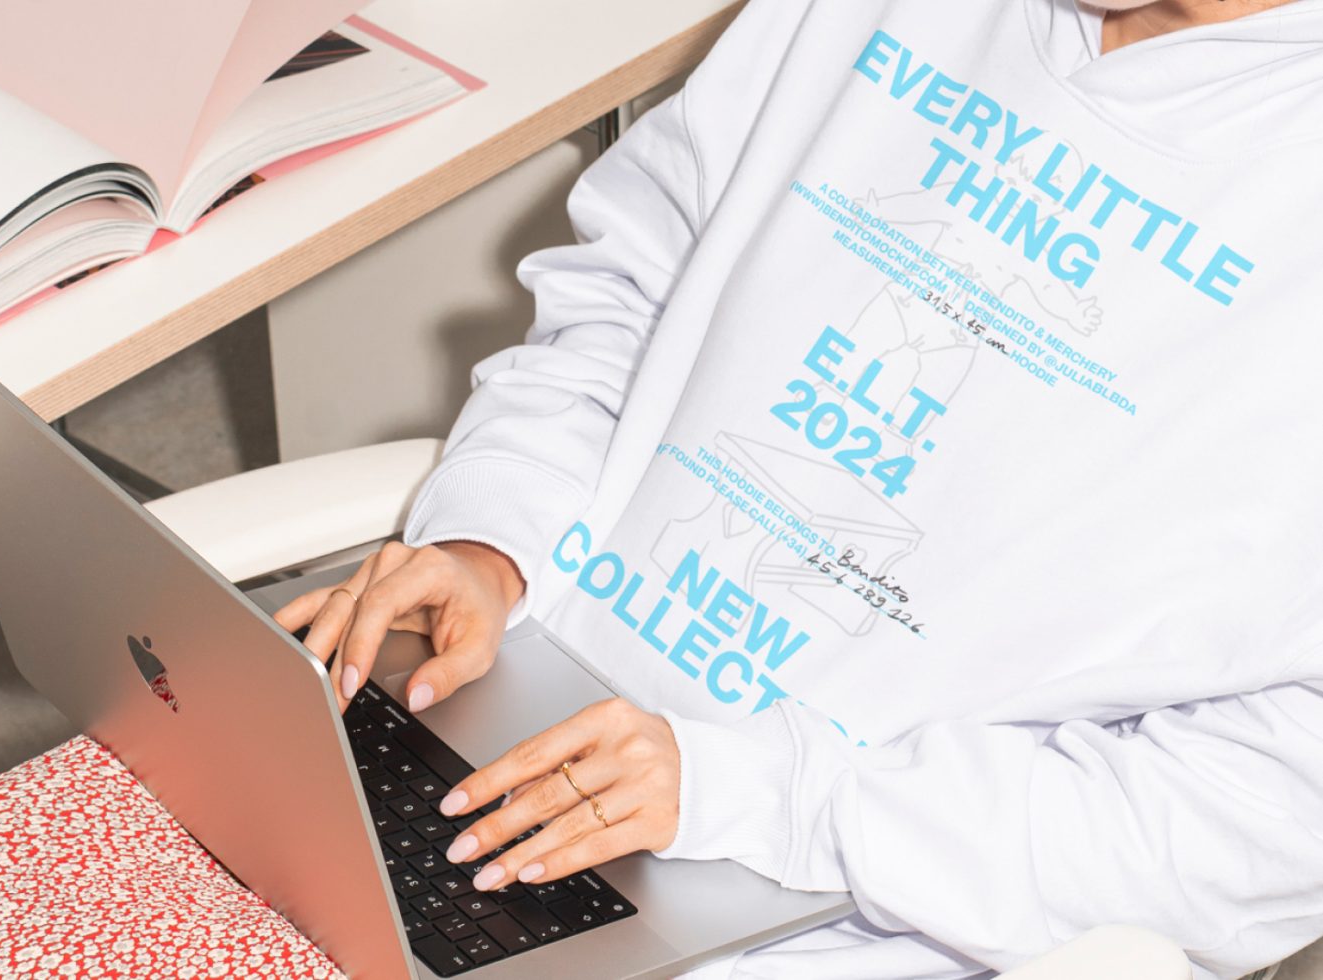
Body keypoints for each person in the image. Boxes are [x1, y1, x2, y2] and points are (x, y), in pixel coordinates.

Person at [273, 0, 1323, 977]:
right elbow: (630, 292)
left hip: (825, 913)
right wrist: (494, 546)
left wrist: (766, 795)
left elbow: (1261, 825)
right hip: (496, 706)